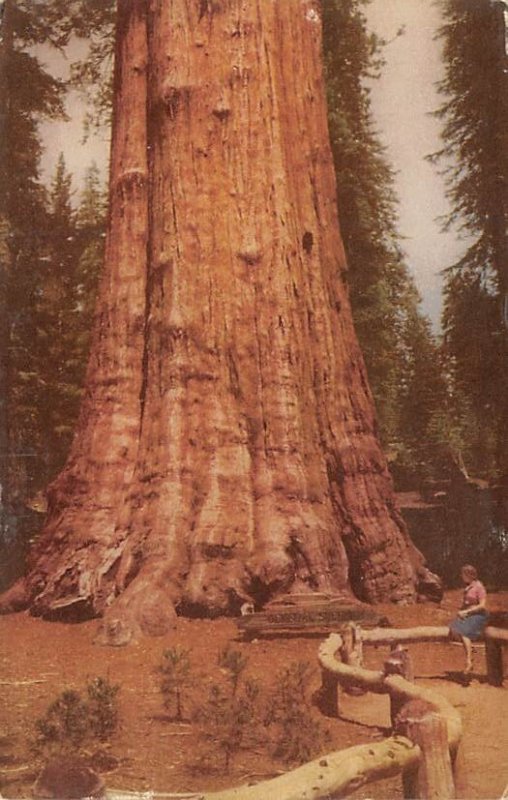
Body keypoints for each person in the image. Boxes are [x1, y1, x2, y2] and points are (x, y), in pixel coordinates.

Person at [449, 564, 488, 674]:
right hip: (468, 614)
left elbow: (482, 605)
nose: (461, 577)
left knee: (464, 632)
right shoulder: (468, 587)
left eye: (463, 574)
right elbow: (465, 603)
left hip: (478, 614)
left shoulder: (479, 587)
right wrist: (461, 611)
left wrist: (467, 611)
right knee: (453, 629)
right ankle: (471, 649)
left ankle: (469, 661)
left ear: (469, 575)